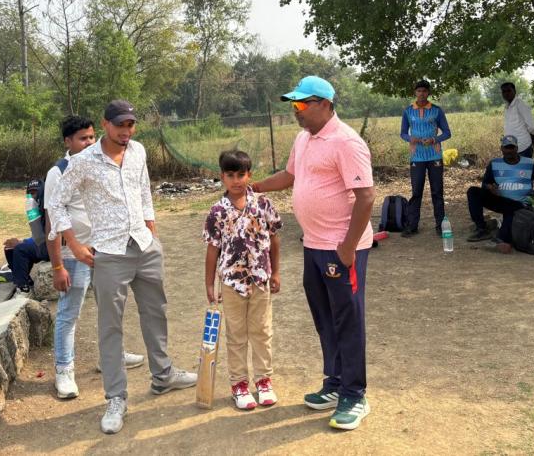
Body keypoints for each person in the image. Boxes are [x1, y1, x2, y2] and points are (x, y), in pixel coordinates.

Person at [47, 99, 196, 435]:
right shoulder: (85, 161)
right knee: (110, 326)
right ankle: (116, 398)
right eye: (120, 125)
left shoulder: (139, 151)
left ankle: (163, 375)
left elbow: (143, 191)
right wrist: (72, 243)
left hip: (144, 245)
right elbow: (56, 202)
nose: (126, 131)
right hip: (110, 253)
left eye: (130, 124)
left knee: (156, 311)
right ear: (105, 125)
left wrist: (152, 231)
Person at [253, 76, 376, 431]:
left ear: (325, 103)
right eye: (294, 106)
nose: (297, 112)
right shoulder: (304, 139)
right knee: (325, 318)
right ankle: (335, 383)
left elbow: (366, 197)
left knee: (348, 320)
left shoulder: (346, 142)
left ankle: (355, 394)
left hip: (342, 249)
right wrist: (256, 186)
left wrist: (348, 247)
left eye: (302, 105)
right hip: (313, 245)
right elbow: (290, 175)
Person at [43, 115, 144, 400]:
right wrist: (58, 265)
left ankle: (111, 356)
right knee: (69, 313)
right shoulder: (59, 172)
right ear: (67, 142)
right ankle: (64, 370)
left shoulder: (99, 163)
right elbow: (52, 222)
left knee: (110, 306)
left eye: (90, 137)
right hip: (74, 254)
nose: (88, 143)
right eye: (82, 139)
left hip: (105, 249)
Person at [203, 150, 282, 410]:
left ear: (250, 175)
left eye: (241, 175)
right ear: (222, 177)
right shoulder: (217, 211)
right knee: (236, 335)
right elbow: (212, 249)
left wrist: (276, 272)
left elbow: (274, 240)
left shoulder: (263, 204)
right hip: (232, 283)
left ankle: (263, 380)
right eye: (230, 175)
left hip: (260, 279)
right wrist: (209, 284)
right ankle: (239, 384)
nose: (236, 181)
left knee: (261, 331)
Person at [466, 136, 534, 253]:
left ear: (517, 148)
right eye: (506, 148)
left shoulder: (529, 163)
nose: (509, 151)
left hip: (520, 203)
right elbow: (485, 183)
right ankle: (481, 228)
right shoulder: (494, 164)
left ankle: (501, 239)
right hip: (500, 200)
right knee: (473, 192)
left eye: (511, 148)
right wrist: (490, 188)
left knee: (511, 212)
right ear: (501, 149)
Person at [400, 79, 451, 237]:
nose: (421, 93)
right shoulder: (408, 111)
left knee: (437, 192)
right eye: (419, 91)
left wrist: (434, 140)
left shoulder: (436, 110)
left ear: (428, 93)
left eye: (424, 91)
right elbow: (402, 133)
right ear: (415, 93)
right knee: (416, 192)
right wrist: (411, 139)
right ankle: (412, 225)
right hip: (417, 157)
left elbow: (447, 132)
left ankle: (440, 226)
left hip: (434, 156)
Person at [0, 180, 50, 294]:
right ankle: (20, 275)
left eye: (35, 192)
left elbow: (42, 237)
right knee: (10, 248)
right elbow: (38, 234)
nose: (32, 196)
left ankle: (22, 287)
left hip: (51, 247)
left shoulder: (47, 205)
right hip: (43, 243)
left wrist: (22, 243)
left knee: (21, 249)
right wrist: (23, 241)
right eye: (30, 193)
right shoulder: (36, 205)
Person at [501, 82, 534, 158]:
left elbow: (532, 127)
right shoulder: (507, 107)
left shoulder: (521, 104)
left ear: (514, 91)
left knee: (524, 170)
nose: (506, 93)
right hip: (510, 148)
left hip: (523, 146)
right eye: (503, 91)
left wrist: (527, 135)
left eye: (509, 90)